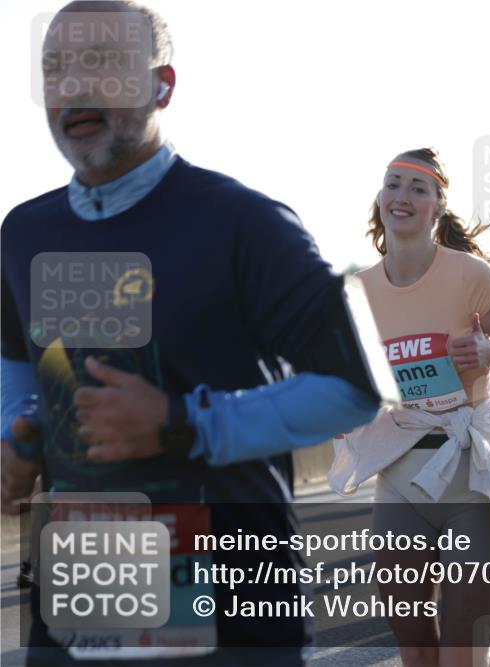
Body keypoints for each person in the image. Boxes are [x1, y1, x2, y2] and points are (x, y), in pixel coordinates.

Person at [1, 3, 385, 665]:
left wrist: (185, 424)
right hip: (78, 604)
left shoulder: (245, 222)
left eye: (103, 63)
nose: (75, 87)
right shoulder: (23, 232)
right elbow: (13, 360)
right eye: (56, 69)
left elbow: (356, 388)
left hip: (234, 617)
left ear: (163, 84)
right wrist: (18, 430)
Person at [328, 149, 490, 667]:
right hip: (400, 478)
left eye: (417, 189)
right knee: (419, 656)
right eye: (393, 185)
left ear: (437, 208)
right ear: (380, 199)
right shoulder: (357, 291)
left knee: (460, 660)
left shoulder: (470, 275)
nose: (402, 196)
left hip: (472, 473)